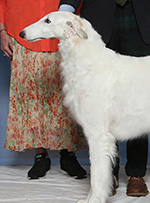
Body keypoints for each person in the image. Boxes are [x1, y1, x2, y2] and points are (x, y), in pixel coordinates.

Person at [59, 0, 150, 196]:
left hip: (141, 21)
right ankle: (109, 174)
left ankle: (137, 174)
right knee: (101, 103)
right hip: (98, 22)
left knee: (138, 100)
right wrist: (62, 15)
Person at [0, 0, 87, 180]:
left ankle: (68, 155)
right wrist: (2, 31)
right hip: (22, 31)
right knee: (31, 97)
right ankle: (41, 155)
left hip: (62, 34)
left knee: (66, 97)